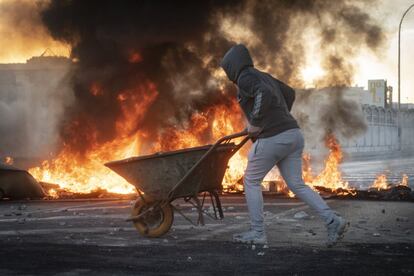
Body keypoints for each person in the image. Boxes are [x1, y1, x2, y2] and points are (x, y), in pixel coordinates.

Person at [220, 44, 347, 247]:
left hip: (273, 137)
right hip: (293, 134)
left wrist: (258, 122)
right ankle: (333, 220)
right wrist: (279, 116)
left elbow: (264, 94)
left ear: (232, 67)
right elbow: (289, 93)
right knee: (297, 185)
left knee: (251, 181)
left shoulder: (245, 77)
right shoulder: (264, 75)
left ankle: (258, 232)